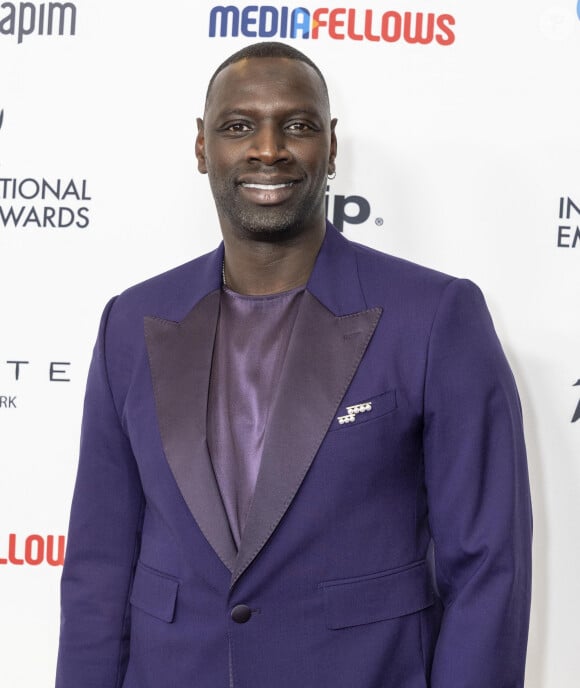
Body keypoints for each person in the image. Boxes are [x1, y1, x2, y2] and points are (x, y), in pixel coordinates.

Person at [56, 42, 532, 688]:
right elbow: (98, 572)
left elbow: (487, 569)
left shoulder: (437, 318)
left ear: (331, 147)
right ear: (202, 147)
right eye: (239, 126)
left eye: (298, 125)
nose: (269, 148)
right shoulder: (129, 326)